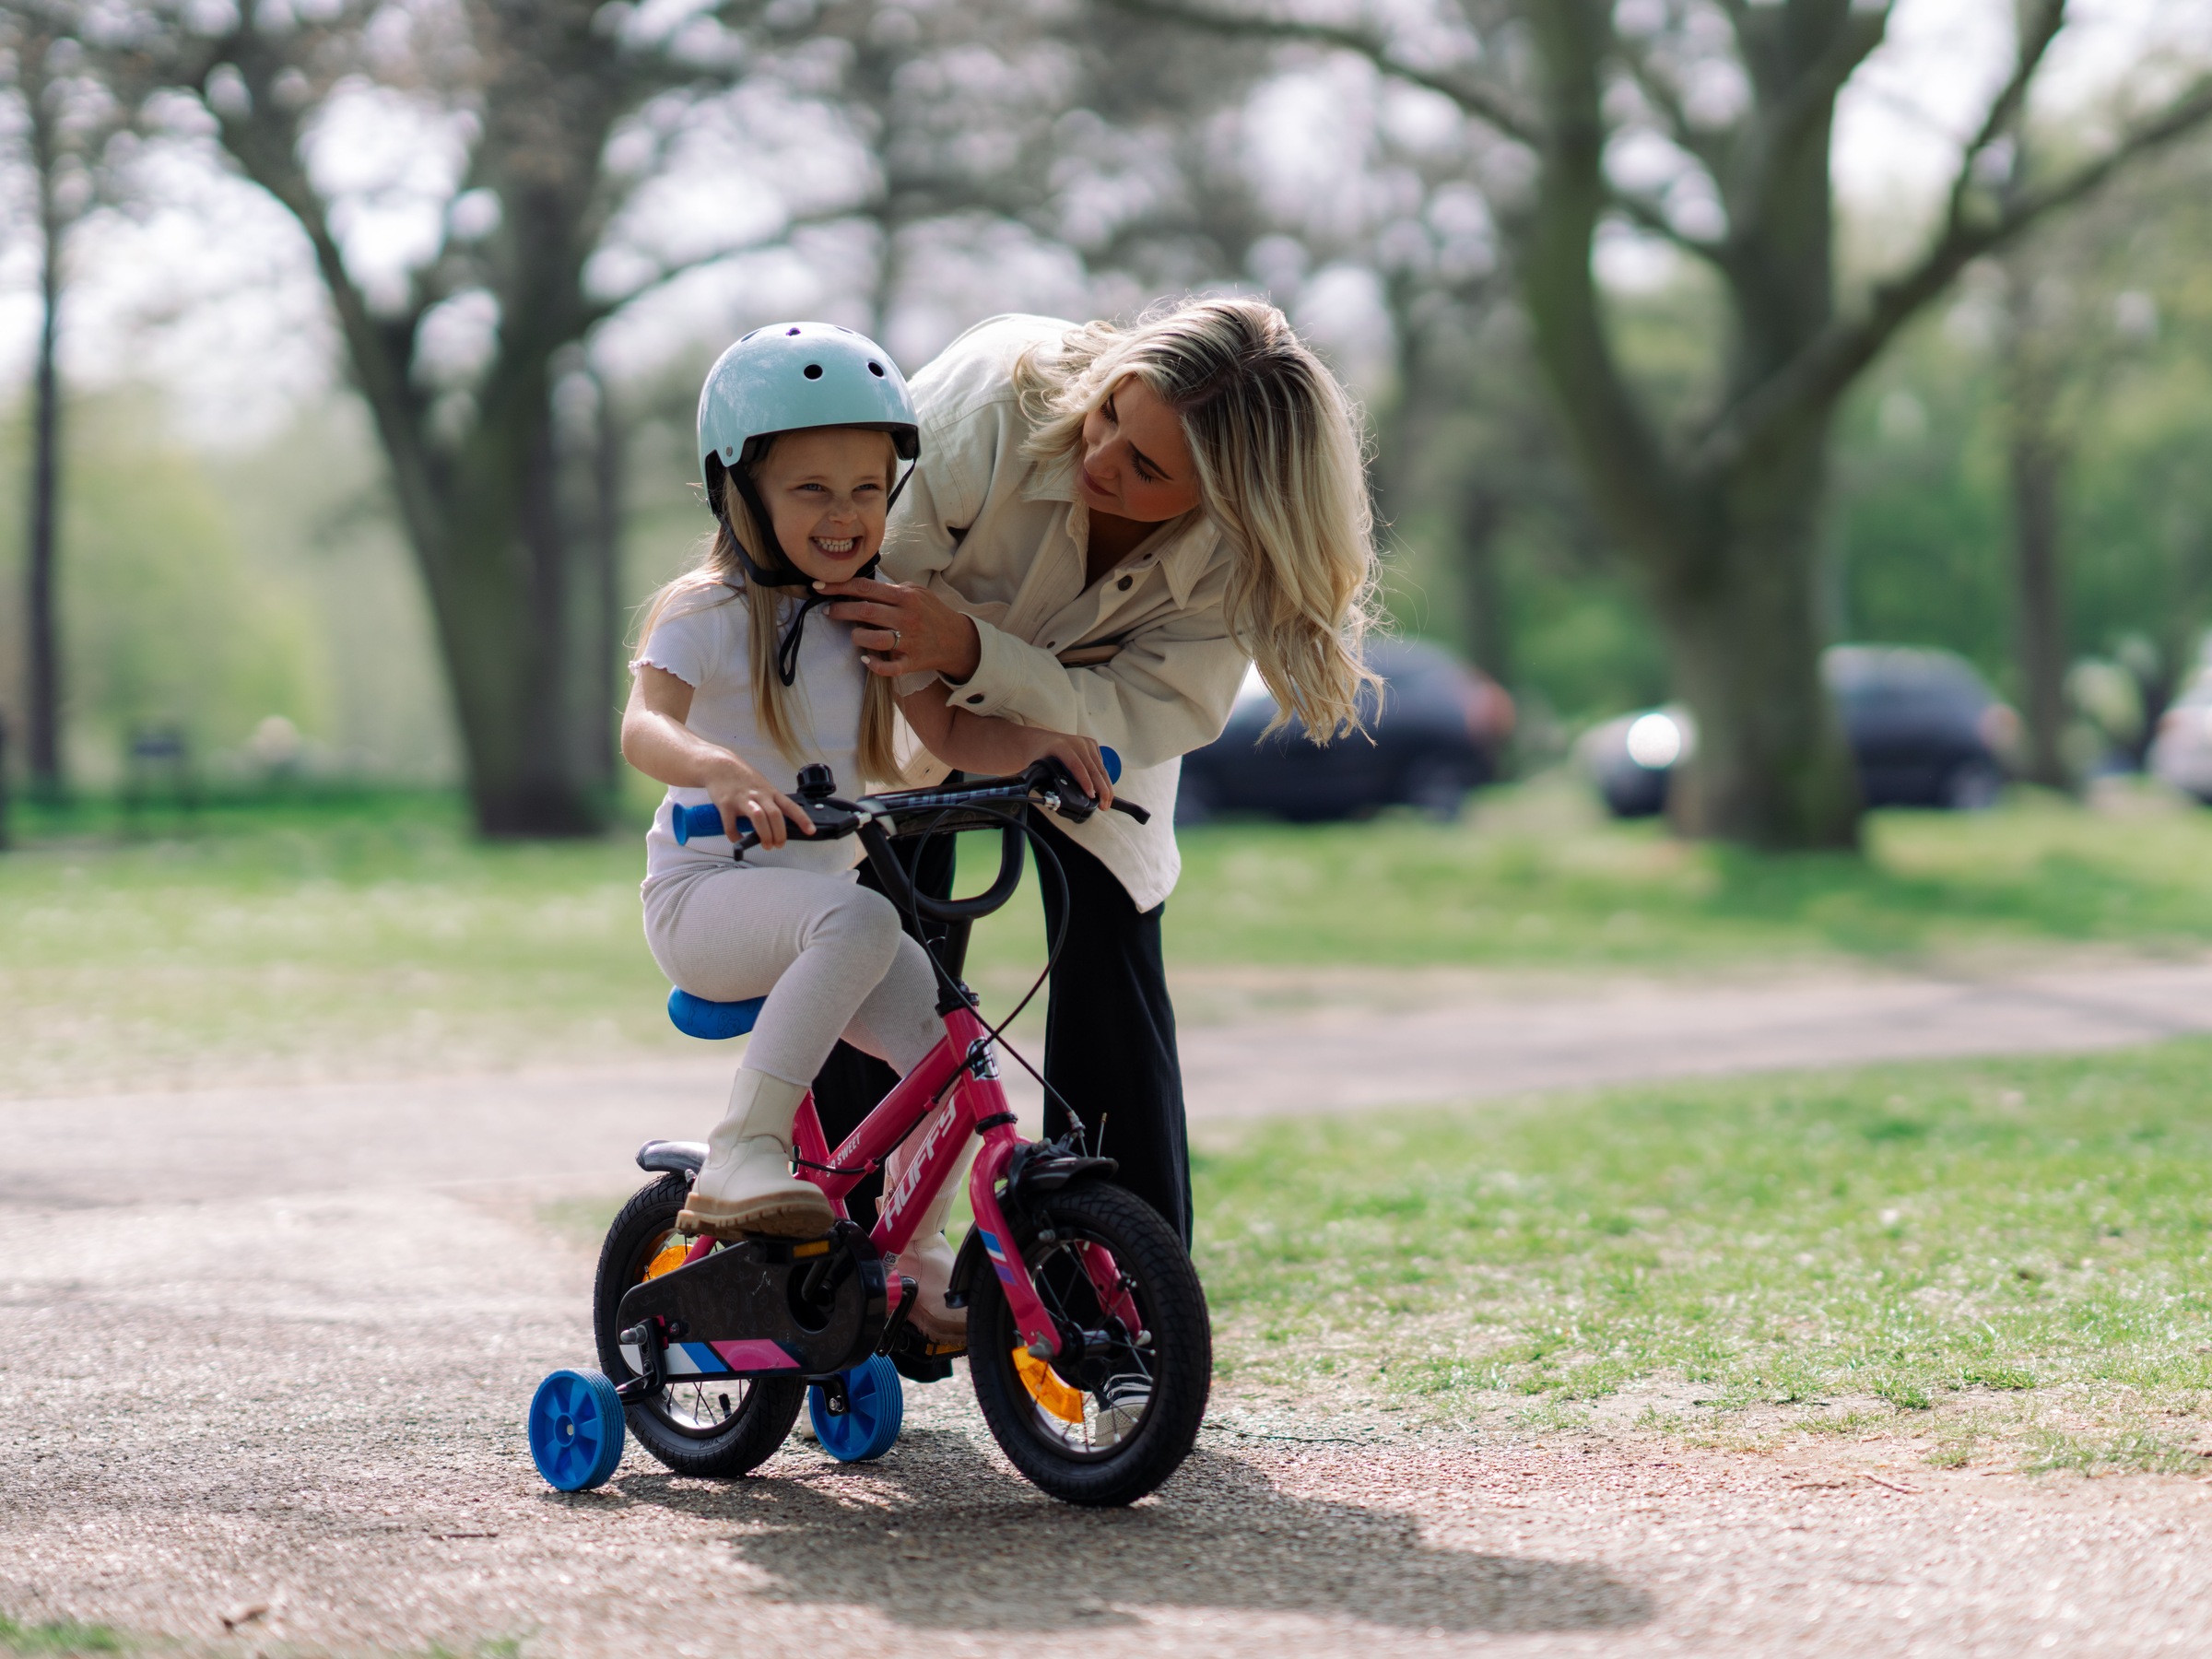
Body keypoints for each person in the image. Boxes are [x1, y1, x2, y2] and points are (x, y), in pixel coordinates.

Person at [811, 297, 1382, 1246]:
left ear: (1229, 501)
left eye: (1147, 467)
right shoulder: (998, 394)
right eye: (1113, 410)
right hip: (889, 687)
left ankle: (1116, 1293)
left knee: (1110, 944)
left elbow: (1150, 711)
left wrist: (975, 651)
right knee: (878, 939)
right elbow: (874, 584)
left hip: (1082, 732)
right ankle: (845, 1261)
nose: (1100, 455)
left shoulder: (1239, 559)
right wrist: (953, 683)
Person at [621, 322, 1111, 1341]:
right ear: (739, 489)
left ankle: (910, 1240)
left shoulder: (876, 616)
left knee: (942, 1047)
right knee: (856, 924)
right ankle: (743, 1151)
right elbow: (644, 727)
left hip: (820, 913)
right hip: (706, 897)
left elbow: (945, 731)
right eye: (811, 490)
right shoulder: (703, 613)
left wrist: (1036, 747)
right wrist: (717, 767)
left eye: (865, 488)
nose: (845, 515)